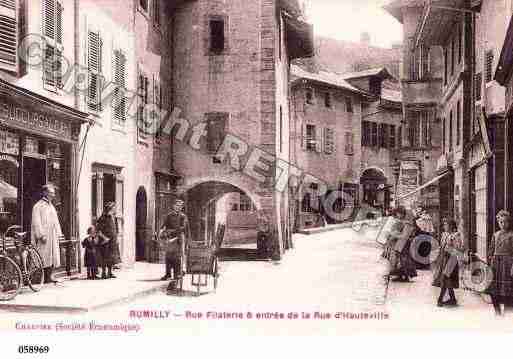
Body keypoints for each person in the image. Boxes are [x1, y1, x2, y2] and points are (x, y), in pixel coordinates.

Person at [31, 184, 63, 284]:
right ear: (44, 193)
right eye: (51, 193)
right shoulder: (38, 206)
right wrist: (41, 235)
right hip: (44, 236)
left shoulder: (51, 206)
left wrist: (58, 233)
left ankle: (49, 276)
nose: (53, 195)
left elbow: (55, 220)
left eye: (53, 193)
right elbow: (36, 221)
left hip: (52, 235)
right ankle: (41, 277)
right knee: (43, 256)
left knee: (52, 255)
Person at [158, 198, 190, 291]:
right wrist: (161, 232)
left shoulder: (183, 216)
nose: (178, 207)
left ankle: (177, 274)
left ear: (181, 207)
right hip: (169, 238)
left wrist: (171, 232)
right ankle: (168, 274)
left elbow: (183, 228)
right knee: (168, 256)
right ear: (173, 206)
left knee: (177, 257)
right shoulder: (169, 215)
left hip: (179, 238)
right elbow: (164, 224)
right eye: (177, 205)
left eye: (180, 206)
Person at [486, 210, 513, 316]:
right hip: (496, 265)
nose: (503, 224)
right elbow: (491, 250)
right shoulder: (495, 235)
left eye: (505, 222)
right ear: (498, 223)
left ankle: (507, 312)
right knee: (493, 290)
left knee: (507, 290)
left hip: (507, 265)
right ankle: (497, 311)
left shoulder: (511, 235)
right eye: (501, 222)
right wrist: (490, 260)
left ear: (509, 222)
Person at [432, 218, 463, 307]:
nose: (444, 226)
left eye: (446, 225)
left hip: (452, 258)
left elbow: (458, 249)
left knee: (445, 278)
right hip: (444, 258)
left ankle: (440, 299)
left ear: (452, 226)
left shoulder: (456, 235)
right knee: (446, 278)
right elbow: (442, 246)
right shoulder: (445, 234)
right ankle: (452, 299)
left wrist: (448, 248)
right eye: (444, 225)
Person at [96, 202, 120, 279]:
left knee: (112, 257)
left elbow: (116, 229)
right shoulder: (103, 218)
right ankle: (103, 273)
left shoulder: (114, 217)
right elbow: (98, 230)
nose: (115, 209)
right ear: (110, 208)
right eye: (114, 208)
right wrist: (104, 238)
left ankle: (110, 272)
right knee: (104, 256)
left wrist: (117, 238)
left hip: (113, 240)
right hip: (105, 240)